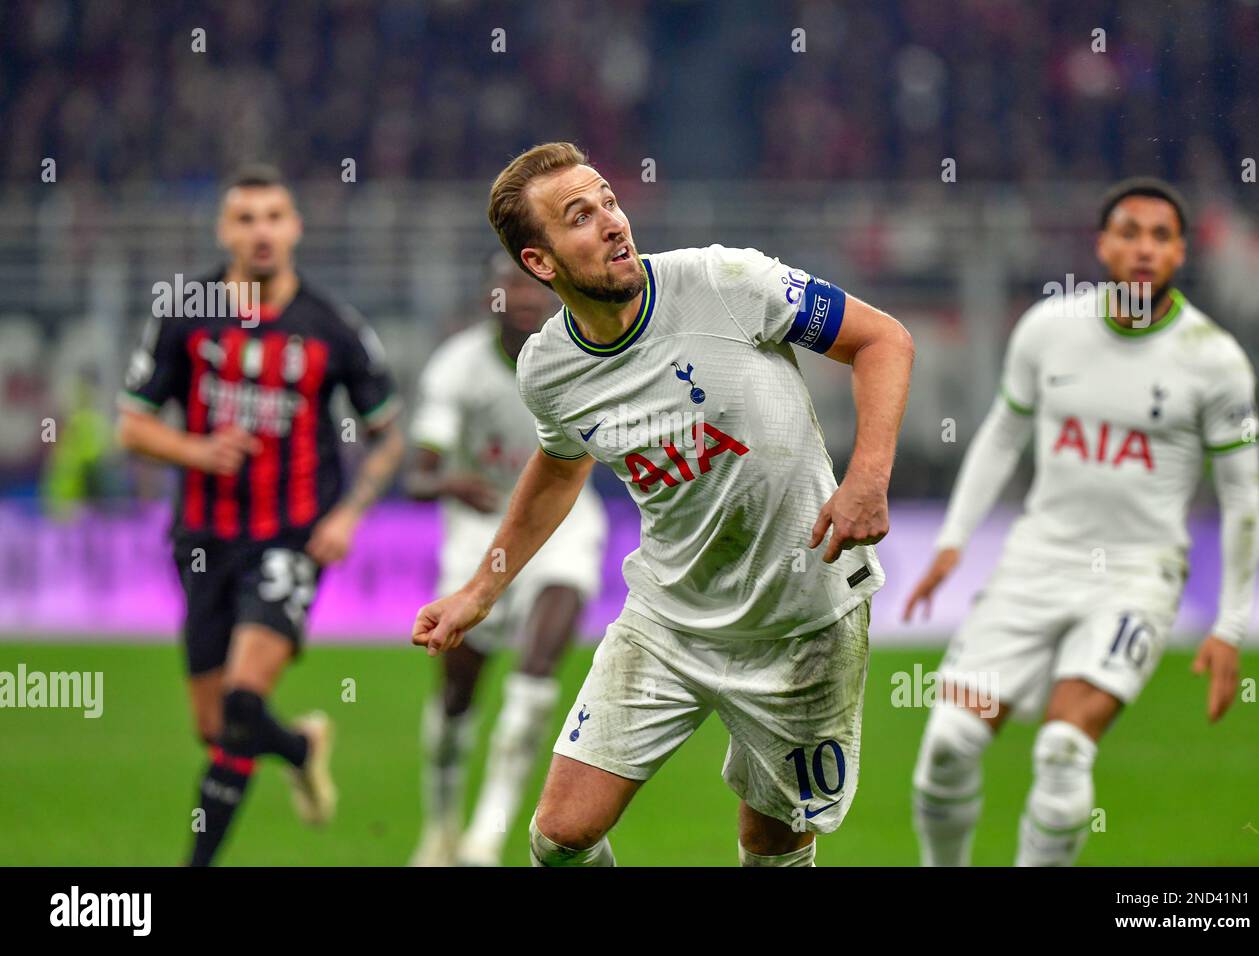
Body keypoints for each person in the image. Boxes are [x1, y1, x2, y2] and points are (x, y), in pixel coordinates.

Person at [411, 142, 914, 866]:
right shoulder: (548, 368)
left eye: (609, 200)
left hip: (803, 619)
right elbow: (558, 465)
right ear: (540, 262)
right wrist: (479, 592)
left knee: (770, 845)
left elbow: (883, 341)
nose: (613, 221)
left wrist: (866, 478)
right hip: (669, 621)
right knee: (560, 838)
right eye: (579, 216)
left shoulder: (727, 280)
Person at [903, 177, 1259, 866]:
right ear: (1102, 244)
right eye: (1129, 231)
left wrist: (1230, 625)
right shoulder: (1048, 330)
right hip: (1035, 561)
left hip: (1136, 575)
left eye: (1161, 236)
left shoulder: (1215, 362)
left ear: (1181, 253)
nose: (1144, 248)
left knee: (1064, 751)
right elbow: (1003, 435)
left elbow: (1243, 497)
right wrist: (953, 541)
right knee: (948, 744)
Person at [117, 165, 405, 865]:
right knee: (216, 726)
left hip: (291, 536)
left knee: (243, 707)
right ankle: (302, 746)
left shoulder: (333, 327)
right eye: (245, 219)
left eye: (274, 216)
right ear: (225, 232)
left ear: (295, 226)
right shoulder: (184, 313)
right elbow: (132, 424)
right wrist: (194, 448)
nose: (261, 231)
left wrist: (348, 518)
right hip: (203, 540)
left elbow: (388, 436)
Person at [406, 253, 607, 866]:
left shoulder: (578, 357)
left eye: (535, 287)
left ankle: (485, 838)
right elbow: (419, 477)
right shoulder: (457, 368)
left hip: (564, 524)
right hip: (478, 533)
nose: (524, 297)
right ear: (491, 296)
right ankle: (439, 828)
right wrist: (452, 485)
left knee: (535, 678)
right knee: (457, 695)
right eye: (511, 286)